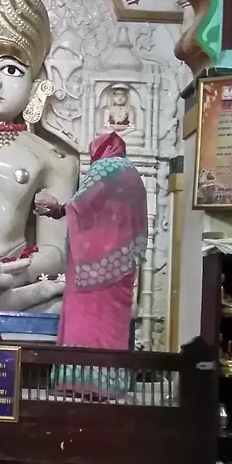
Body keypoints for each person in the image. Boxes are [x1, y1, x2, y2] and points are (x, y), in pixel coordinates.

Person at [35, 132, 148, 398]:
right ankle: (107, 384)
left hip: (93, 263)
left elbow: (82, 204)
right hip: (121, 261)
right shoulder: (132, 173)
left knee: (88, 319)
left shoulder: (106, 167)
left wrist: (55, 208)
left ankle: (82, 383)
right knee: (112, 323)